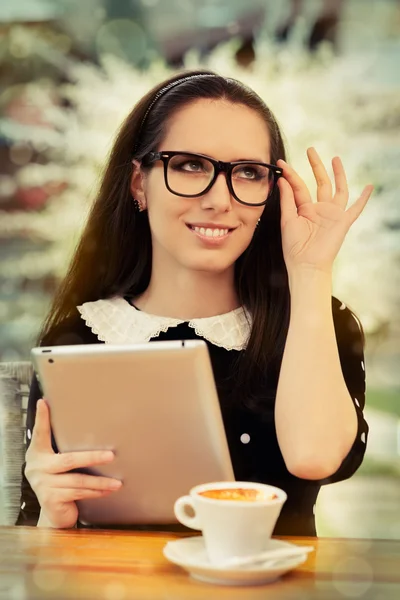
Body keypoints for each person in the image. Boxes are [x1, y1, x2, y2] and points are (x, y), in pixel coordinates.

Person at [16, 69, 373, 535]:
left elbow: (315, 458)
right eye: (189, 165)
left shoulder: (320, 321)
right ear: (139, 184)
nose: (219, 200)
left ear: (270, 192)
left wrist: (308, 274)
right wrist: (52, 516)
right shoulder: (76, 340)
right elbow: (34, 539)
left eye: (248, 173)